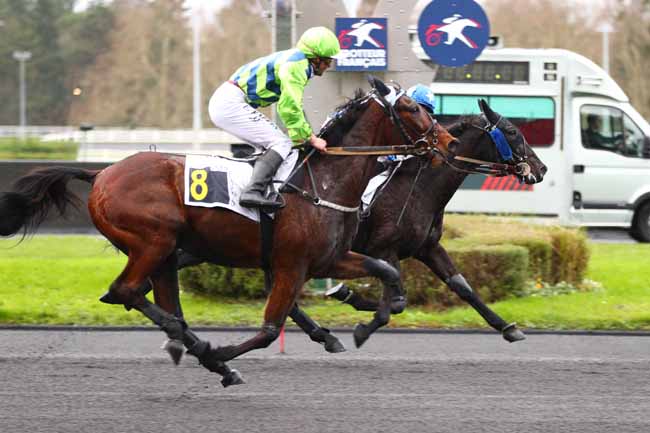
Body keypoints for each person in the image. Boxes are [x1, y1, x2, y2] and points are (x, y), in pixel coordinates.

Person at [208, 26, 341, 209]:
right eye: (328, 61)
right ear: (316, 58)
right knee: (281, 143)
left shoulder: (298, 61)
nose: (329, 66)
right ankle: (252, 191)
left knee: (275, 146)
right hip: (231, 103)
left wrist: (301, 136)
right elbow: (288, 107)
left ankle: (256, 190)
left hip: (231, 101)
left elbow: (293, 106)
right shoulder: (297, 66)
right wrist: (310, 138)